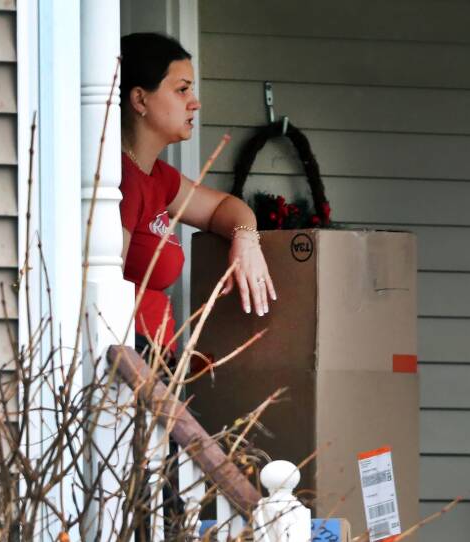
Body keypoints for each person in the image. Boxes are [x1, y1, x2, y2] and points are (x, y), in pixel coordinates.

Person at [119, 32, 277, 538]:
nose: (195, 101)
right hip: (132, 370)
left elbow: (226, 210)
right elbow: (111, 291)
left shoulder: (158, 180)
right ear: (140, 100)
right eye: (181, 88)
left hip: (162, 365)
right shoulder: (120, 183)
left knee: (170, 510)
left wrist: (246, 239)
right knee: (153, 514)